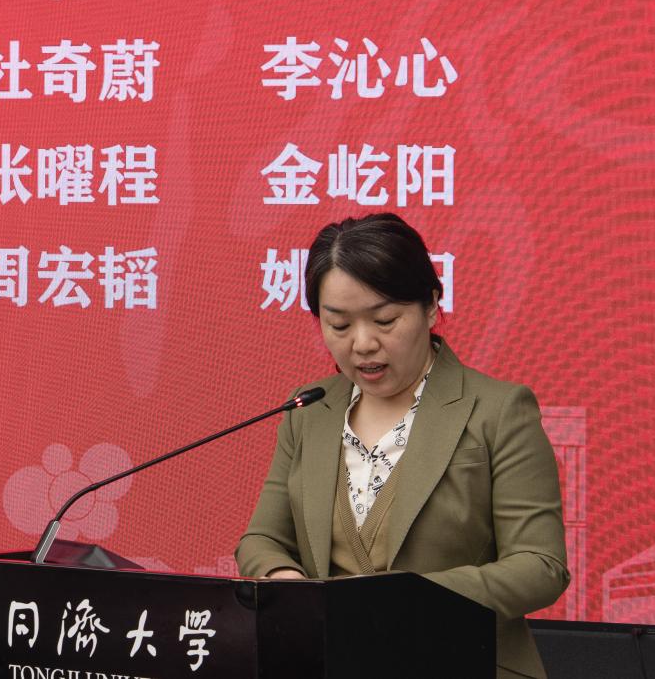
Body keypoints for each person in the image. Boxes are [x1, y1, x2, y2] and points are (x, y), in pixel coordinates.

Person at [236, 213, 569, 679]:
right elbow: (262, 541)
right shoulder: (310, 409)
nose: (363, 344)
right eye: (339, 325)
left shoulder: (498, 410)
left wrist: (407, 600)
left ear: (430, 306)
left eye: (385, 320)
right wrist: (288, 586)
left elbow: (541, 566)